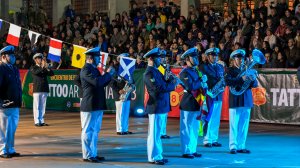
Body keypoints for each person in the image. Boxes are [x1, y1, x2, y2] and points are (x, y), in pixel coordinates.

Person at [143, 47, 178, 165]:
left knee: (157, 134)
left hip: (161, 106)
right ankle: (154, 157)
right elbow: (158, 89)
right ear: (152, 59)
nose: (161, 60)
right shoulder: (148, 73)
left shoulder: (157, 71)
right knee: (154, 134)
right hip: (156, 106)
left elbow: (164, 84)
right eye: (159, 58)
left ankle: (157, 155)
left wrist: (171, 79)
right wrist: (173, 85)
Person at [80, 47, 112, 163]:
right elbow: (97, 82)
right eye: (98, 57)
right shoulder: (85, 70)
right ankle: (87, 155)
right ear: (91, 58)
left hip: (97, 104)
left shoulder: (93, 69)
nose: (99, 59)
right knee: (88, 130)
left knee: (95, 130)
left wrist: (109, 76)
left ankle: (93, 153)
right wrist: (108, 74)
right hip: (90, 104)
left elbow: (101, 83)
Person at [225, 49, 258, 154]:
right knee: (234, 124)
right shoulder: (229, 70)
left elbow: (255, 85)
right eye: (238, 58)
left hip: (246, 99)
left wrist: (253, 78)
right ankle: (233, 146)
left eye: (242, 58)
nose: (241, 60)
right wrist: (241, 79)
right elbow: (228, 81)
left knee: (244, 125)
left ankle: (241, 145)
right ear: (234, 59)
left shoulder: (248, 69)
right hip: (235, 99)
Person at [179, 47, 207, 159]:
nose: (195, 59)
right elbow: (190, 86)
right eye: (193, 57)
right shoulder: (184, 73)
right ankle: (186, 151)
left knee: (195, 128)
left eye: (196, 56)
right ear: (187, 59)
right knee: (186, 128)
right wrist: (201, 81)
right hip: (188, 102)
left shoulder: (197, 71)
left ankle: (193, 149)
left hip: (196, 102)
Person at [0, 45, 22, 158]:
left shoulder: (14, 68)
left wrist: (19, 100)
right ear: (4, 56)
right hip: (5, 104)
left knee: (12, 128)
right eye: (11, 55)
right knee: (3, 128)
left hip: (15, 103)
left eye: (13, 55)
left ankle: (10, 148)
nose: (13, 57)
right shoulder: (1, 68)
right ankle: (3, 150)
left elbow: (18, 86)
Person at [201, 47, 225, 147]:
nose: (214, 57)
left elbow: (222, 79)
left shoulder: (220, 67)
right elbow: (204, 81)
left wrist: (223, 84)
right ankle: (207, 139)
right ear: (208, 56)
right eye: (212, 55)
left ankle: (214, 138)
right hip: (209, 95)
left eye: (216, 55)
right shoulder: (203, 67)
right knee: (208, 117)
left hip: (218, 95)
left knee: (215, 118)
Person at [111, 53, 134, 135]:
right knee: (120, 112)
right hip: (119, 94)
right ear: (119, 59)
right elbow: (112, 83)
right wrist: (118, 90)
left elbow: (132, 80)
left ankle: (125, 129)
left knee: (126, 112)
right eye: (124, 58)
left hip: (127, 93)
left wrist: (132, 85)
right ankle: (120, 129)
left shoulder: (129, 69)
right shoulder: (116, 69)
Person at [30, 53, 54, 127]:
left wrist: (47, 67)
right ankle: (37, 121)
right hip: (37, 89)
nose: (40, 60)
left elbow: (52, 74)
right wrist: (43, 67)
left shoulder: (44, 67)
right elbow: (37, 72)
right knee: (37, 105)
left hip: (44, 88)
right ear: (35, 60)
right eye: (38, 58)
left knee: (43, 106)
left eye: (40, 58)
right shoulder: (33, 67)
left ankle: (42, 120)